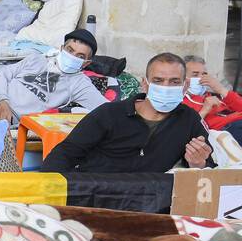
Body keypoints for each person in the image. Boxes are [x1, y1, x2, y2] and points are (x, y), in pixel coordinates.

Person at [40, 52, 212, 173]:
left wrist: (198, 163)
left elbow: (209, 168)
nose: (165, 87)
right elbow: (65, 154)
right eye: (158, 81)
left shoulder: (189, 120)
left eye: (174, 82)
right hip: (95, 195)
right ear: (145, 84)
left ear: (185, 86)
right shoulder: (109, 114)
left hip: (149, 203)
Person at [0, 29, 108, 124]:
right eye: (70, 50)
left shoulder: (79, 84)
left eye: (80, 56)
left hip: (9, 119)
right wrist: (2, 101)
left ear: (86, 63)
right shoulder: (37, 59)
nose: (72, 56)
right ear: (62, 49)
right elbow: (0, 75)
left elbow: (108, 109)